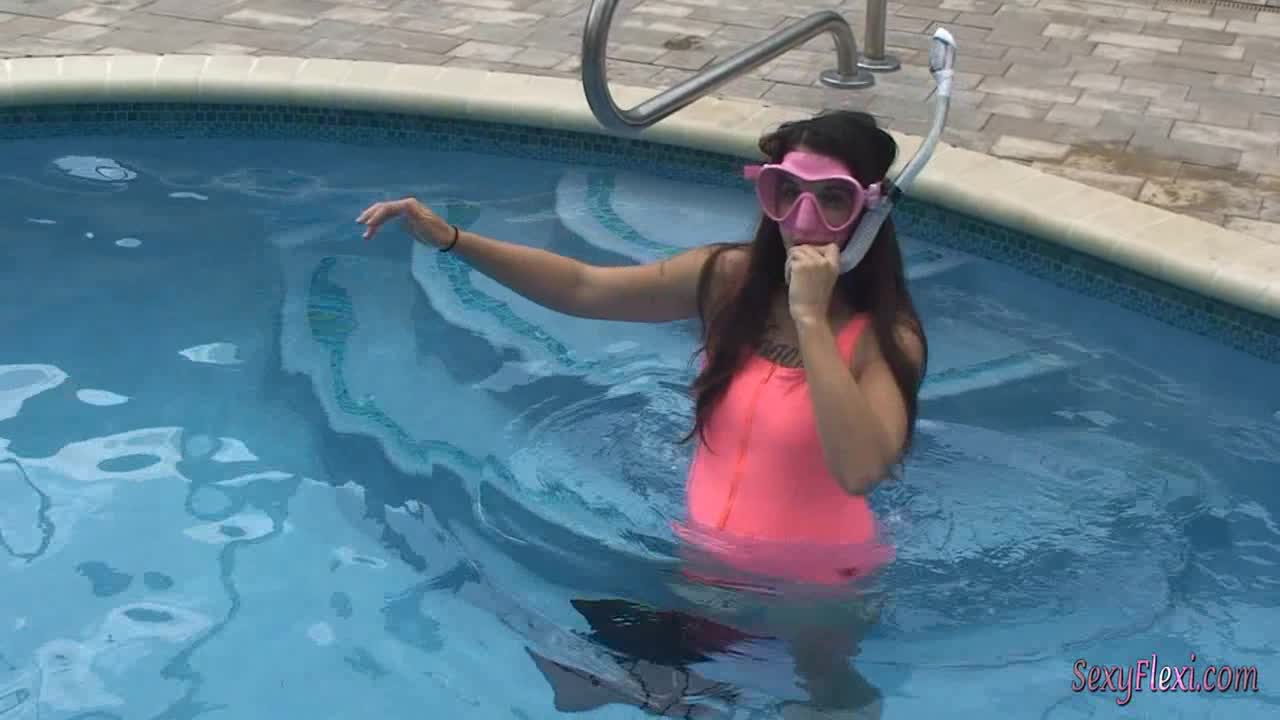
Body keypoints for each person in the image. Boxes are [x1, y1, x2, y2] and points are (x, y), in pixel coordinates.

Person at [357, 110, 928, 718]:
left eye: (833, 199)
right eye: (786, 191)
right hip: (703, 561)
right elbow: (584, 287)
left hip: (818, 589)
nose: (804, 221)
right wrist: (453, 240)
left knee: (827, 697)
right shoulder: (729, 280)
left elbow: (860, 471)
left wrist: (811, 318)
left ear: (870, 212)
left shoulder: (886, 338)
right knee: (619, 678)